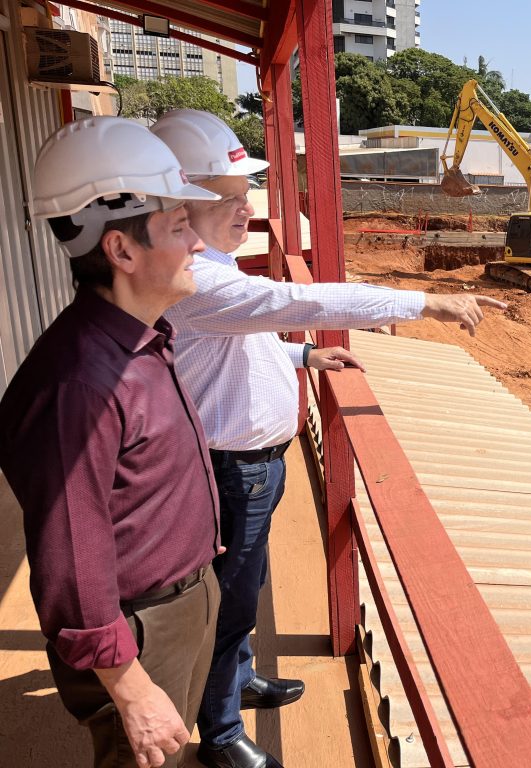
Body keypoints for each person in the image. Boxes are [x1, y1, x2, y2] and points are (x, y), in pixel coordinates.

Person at [150, 109, 505, 768]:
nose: (244, 209)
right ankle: (221, 733)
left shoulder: (214, 274)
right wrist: (422, 302)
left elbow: (235, 345)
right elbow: (301, 303)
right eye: (225, 200)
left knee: (245, 586)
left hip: (254, 464)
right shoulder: (198, 279)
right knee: (229, 600)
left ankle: (238, 679)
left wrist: (303, 361)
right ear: (175, 207)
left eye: (243, 195)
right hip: (233, 469)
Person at [0, 116, 225, 768]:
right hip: (140, 628)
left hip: (177, 606)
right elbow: (72, 556)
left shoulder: (140, 338)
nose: (198, 247)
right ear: (122, 251)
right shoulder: (80, 383)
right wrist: (128, 689)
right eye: (181, 228)